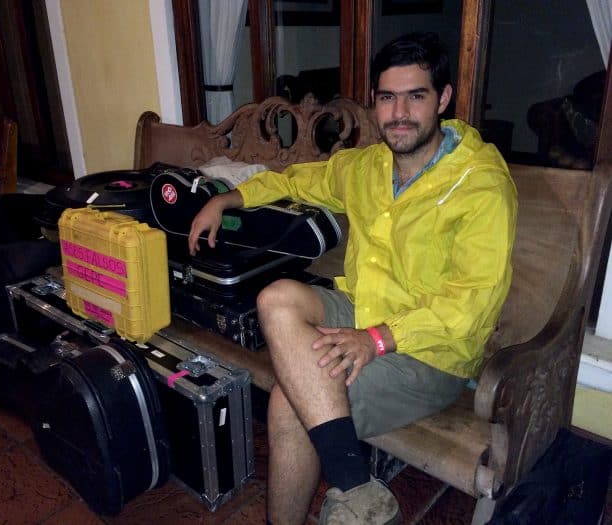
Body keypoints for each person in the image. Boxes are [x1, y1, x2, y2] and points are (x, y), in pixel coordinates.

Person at [188, 32, 517, 525]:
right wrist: (229, 198)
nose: (399, 112)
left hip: (430, 352)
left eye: (416, 96)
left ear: (443, 98)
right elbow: (298, 179)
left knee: (289, 404)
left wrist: (378, 339)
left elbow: (471, 306)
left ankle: (339, 486)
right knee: (277, 297)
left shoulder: (482, 186)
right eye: (387, 98)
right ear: (374, 103)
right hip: (362, 309)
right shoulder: (367, 166)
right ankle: (357, 485)